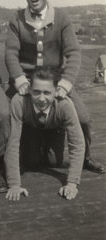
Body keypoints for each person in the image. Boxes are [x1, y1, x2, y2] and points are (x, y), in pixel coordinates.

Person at [5, 0, 105, 174]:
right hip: (27, 83)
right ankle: (6, 159)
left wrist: (66, 83)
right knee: (5, 117)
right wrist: (19, 79)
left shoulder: (61, 17)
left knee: (83, 119)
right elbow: (11, 54)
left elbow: (74, 52)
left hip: (55, 82)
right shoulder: (16, 19)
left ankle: (85, 157)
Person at [5, 67, 85, 201]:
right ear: (29, 90)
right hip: (30, 128)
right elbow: (12, 144)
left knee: (54, 161)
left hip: (54, 128)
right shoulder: (19, 101)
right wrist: (14, 185)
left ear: (56, 91)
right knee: (31, 162)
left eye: (47, 93)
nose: (41, 99)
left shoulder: (64, 104)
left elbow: (77, 144)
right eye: (36, 92)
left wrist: (72, 183)